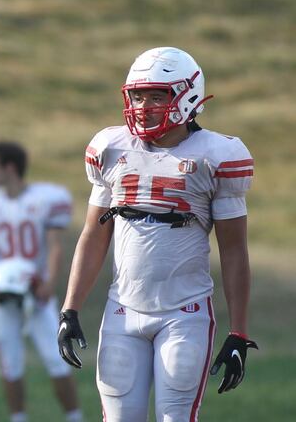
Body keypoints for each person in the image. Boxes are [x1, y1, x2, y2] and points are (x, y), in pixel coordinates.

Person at [57, 47, 257, 421]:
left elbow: (234, 252)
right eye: (137, 95)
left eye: (157, 95)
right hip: (122, 309)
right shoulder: (111, 148)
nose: (143, 105)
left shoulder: (217, 154)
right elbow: (93, 235)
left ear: (188, 96)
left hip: (185, 312)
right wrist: (70, 308)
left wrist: (239, 331)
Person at [0, 142, 83, 422]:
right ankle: (18, 418)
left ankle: (74, 416)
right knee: (9, 362)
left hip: (37, 289)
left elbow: (55, 246)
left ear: (9, 167)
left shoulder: (46, 199)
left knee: (57, 358)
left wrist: (50, 283)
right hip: (1, 291)